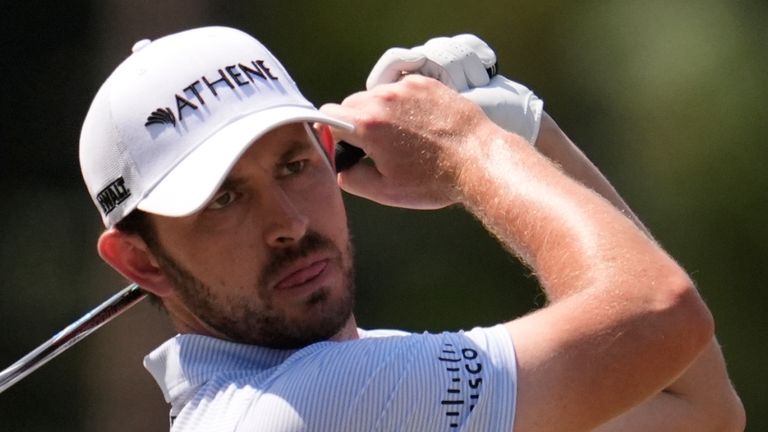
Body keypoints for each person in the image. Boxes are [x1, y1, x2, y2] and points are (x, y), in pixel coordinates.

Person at [79, 26, 744, 431]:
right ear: (142, 263)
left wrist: (531, 137)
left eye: (294, 164)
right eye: (223, 200)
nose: (289, 222)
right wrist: (472, 151)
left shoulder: (353, 379)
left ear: (327, 147)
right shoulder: (308, 405)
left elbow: (697, 407)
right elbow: (660, 314)